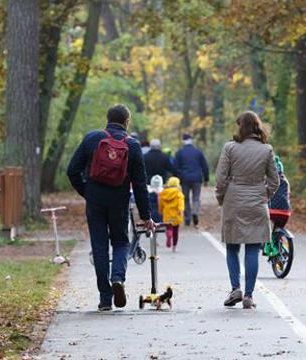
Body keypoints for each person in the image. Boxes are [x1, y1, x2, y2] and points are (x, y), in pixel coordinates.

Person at [66, 104, 155, 312]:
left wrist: (86, 191)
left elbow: (72, 170)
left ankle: (105, 298)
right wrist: (146, 215)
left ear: (107, 119)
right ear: (127, 122)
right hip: (119, 200)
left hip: (95, 199)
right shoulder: (132, 145)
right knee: (121, 242)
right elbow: (140, 184)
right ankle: (118, 278)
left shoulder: (92, 138)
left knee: (99, 245)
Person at [215, 111, 279, 309]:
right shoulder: (266, 150)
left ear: (240, 127)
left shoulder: (230, 148)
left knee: (232, 247)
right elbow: (275, 180)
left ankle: (235, 288)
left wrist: (221, 196)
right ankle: (249, 295)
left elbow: (220, 178)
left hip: (233, 200)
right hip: (257, 201)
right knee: (252, 248)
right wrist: (264, 194)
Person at [174, 133, 209, 226]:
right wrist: (206, 179)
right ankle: (195, 212)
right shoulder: (198, 152)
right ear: (191, 140)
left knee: (185, 199)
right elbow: (205, 166)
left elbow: (175, 167)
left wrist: (177, 179)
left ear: (183, 141)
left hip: (184, 178)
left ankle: (187, 219)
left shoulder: (179, 153)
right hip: (197, 178)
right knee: (196, 198)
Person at [158, 176, 185, 251]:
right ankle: (174, 246)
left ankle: (169, 234)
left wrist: (160, 211)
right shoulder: (178, 193)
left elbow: (160, 203)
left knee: (169, 228)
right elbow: (181, 204)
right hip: (176, 215)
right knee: (176, 231)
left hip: (167, 214)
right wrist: (181, 211)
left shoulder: (163, 193)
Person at [268, 155, 291, 229]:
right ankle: (278, 238)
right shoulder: (286, 181)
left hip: (270, 211)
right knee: (278, 229)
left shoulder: (268, 180)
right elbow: (288, 195)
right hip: (285, 212)